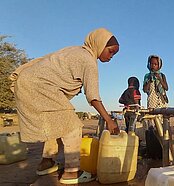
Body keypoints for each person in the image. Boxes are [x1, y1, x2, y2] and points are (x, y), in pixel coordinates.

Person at [9, 28, 120, 184]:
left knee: (57, 124)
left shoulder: (75, 51)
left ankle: (46, 162)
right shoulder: (88, 60)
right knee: (73, 126)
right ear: (99, 44)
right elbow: (93, 96)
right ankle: (71, 172)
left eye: (114, 54)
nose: (111, 57)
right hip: (39, 87)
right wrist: (108, 119)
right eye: (110, 52)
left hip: (27, 83)